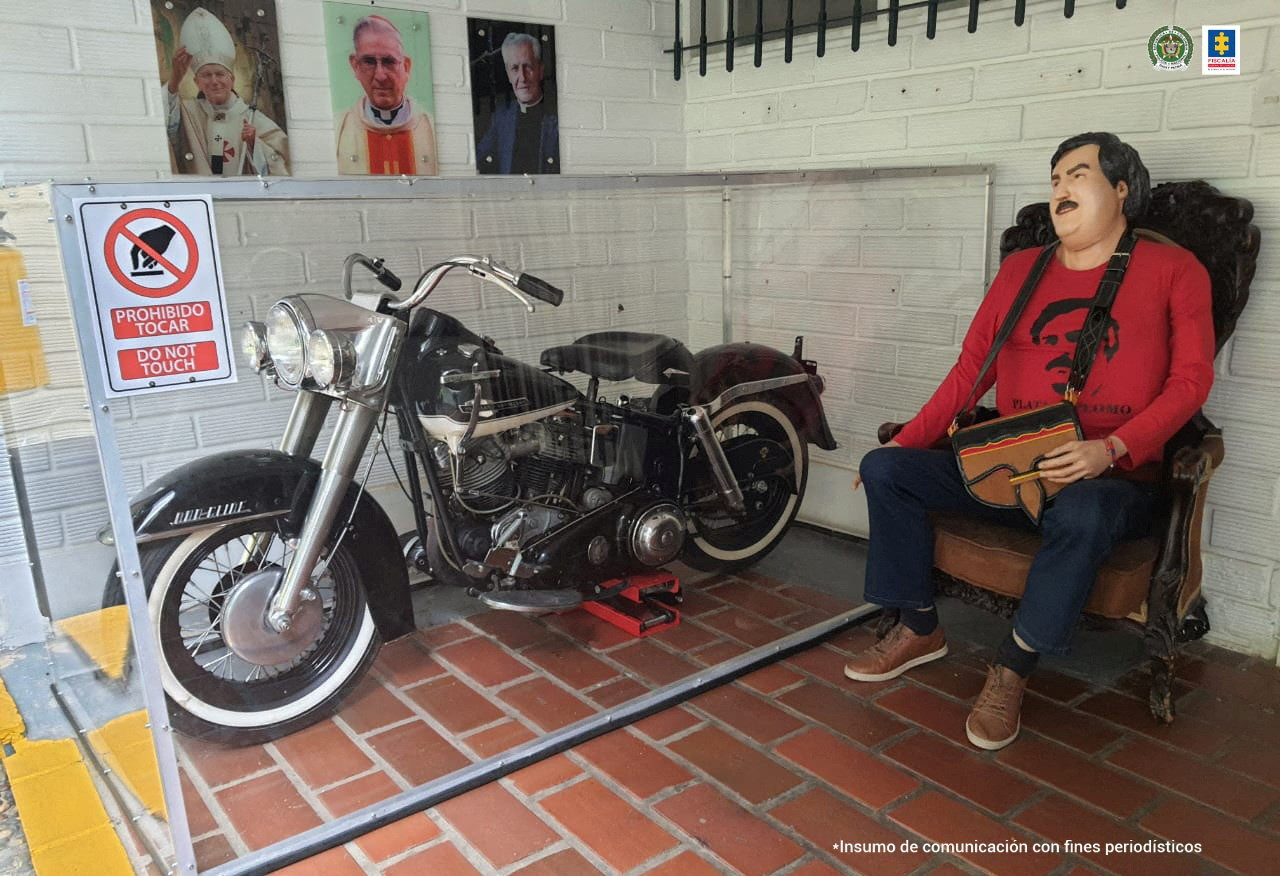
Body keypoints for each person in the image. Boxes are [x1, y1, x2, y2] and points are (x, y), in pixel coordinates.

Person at [845, 132, 1214, 751]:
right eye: (1054, 180)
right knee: (884, 469)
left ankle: (1011, 669)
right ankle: (918, 627)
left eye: (1078, 175)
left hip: (1110, 479)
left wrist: (1113, 447)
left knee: (1086, 505)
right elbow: (970, 372)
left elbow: (1191, 383)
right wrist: (908, 443)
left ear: (1122, 190)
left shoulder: (1175, 270)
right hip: (1011, 468)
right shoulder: (1023, 269)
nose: (1061, 191)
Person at [164, 7, 289, 176]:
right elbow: (163, 128)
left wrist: (254, 144)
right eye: (207, 75)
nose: (214, 81)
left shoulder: (252, 118)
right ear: (196, 82)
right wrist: (174, 81)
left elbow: (285, 164)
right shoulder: (187, 112)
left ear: (232, 79)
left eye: (220, 74)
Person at [334, 15, 438, 176]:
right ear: (355, 66)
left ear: (406, 66)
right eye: (369, 62)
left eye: (389, 61)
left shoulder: (430, 128)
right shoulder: (338, 130)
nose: (380, 75)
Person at [476, 32, 559, 175]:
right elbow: (478, 158)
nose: (522, 78)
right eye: (515, 68)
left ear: (540, 70)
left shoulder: (557, 114)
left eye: (527, 66)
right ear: (508, 74)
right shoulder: (502, 117)